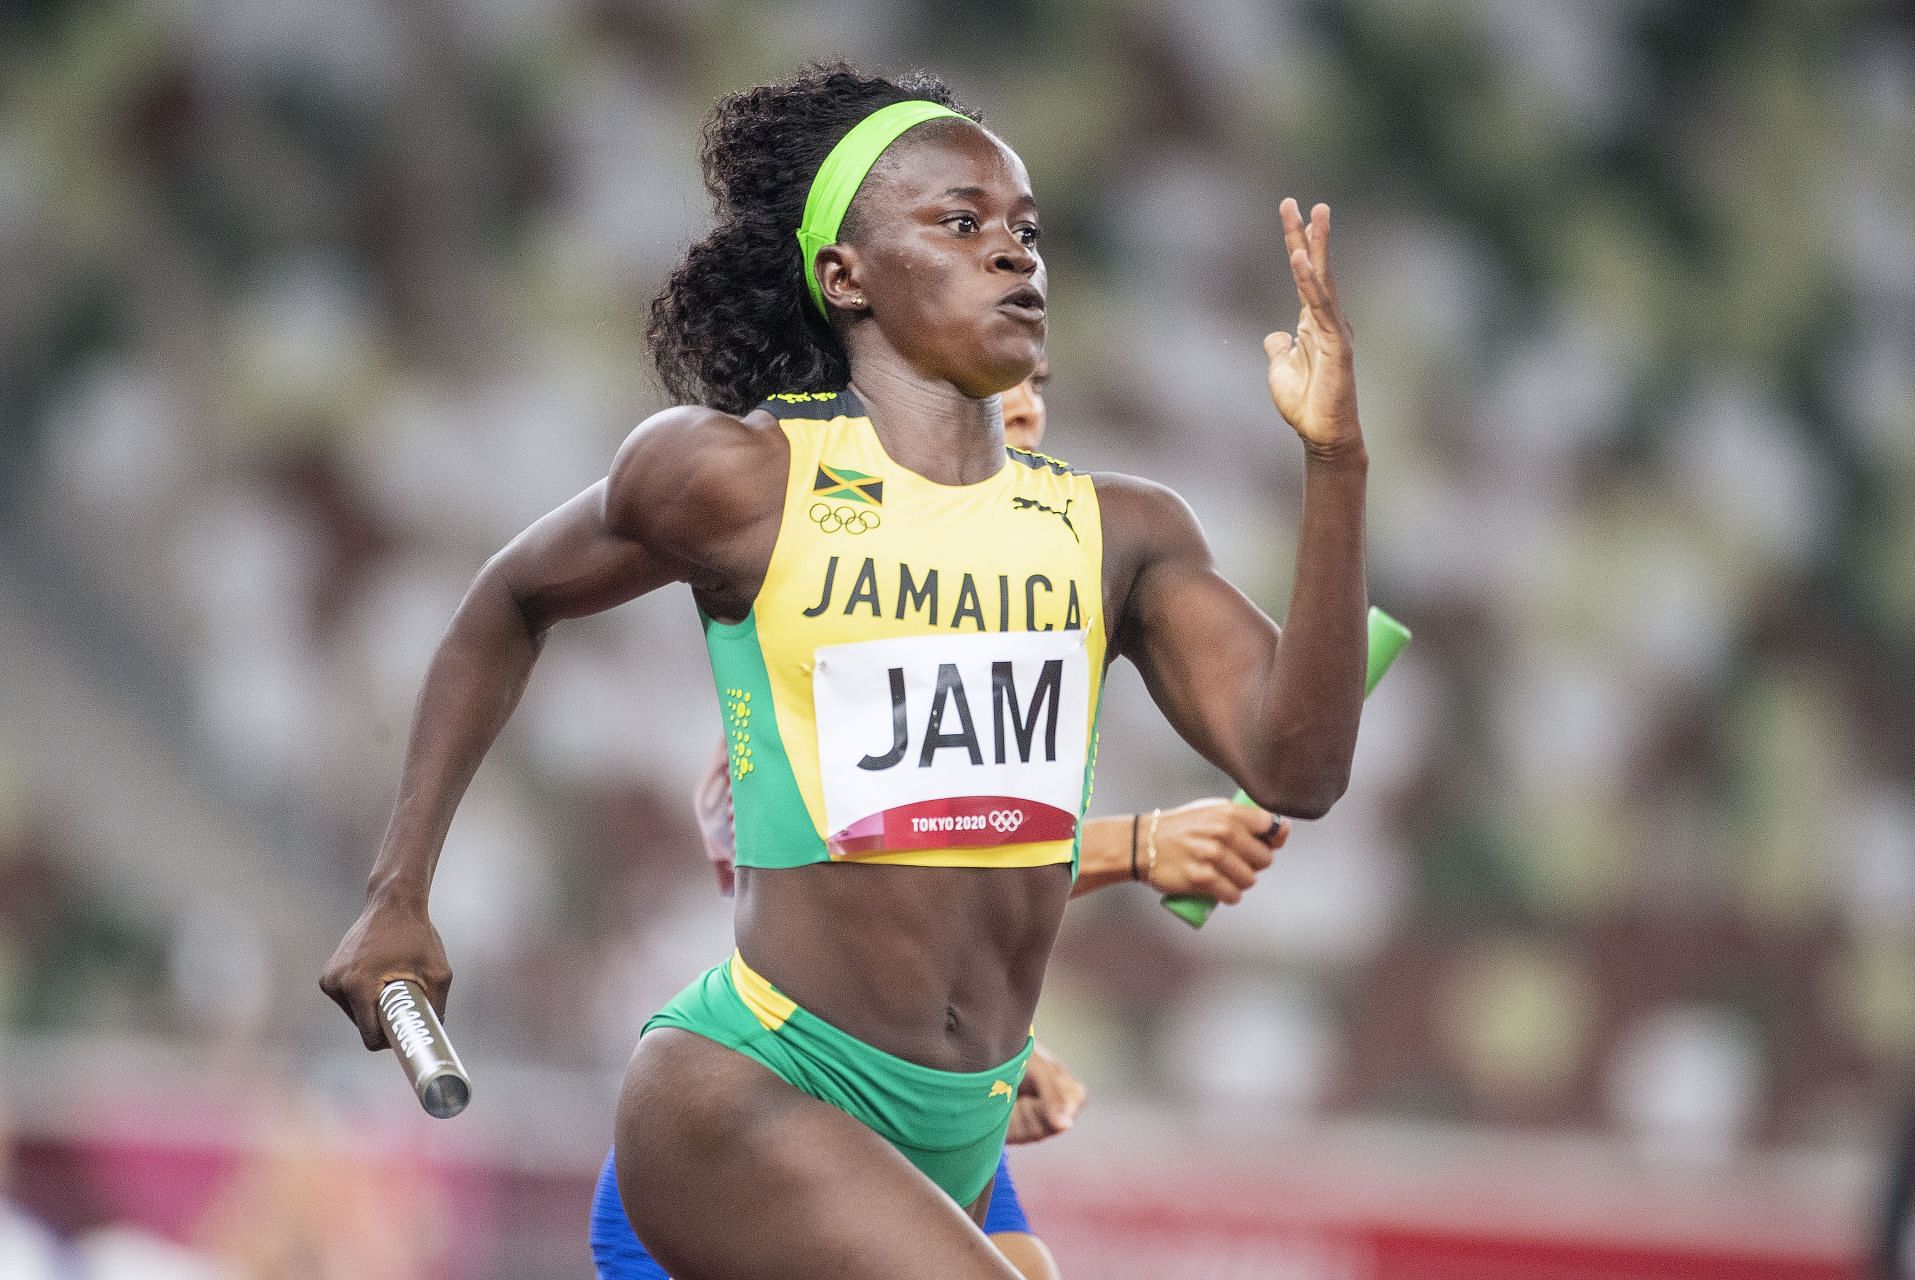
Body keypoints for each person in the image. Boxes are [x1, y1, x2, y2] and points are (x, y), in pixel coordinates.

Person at [321, 62, 1368, 1279]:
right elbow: (508, 598)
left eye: (1028, 231)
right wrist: (399, 886)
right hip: (747, 1093)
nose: (1016, 255)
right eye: (961, 223)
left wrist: (1337, 460)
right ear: (844, 276)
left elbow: (1302, 766)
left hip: (955, 1132)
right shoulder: (736, 481)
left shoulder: (1120, 531)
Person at [586, 363, 1297, 1280]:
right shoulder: (827, 619)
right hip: (786, 1119)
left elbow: (977, 890)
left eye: (1040, 379)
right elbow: (887, 880)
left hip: (946, 1116)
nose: (1029, 400)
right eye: (993, 382)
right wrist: (1142, 845)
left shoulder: (1053, 592)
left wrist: (1007, 1044)